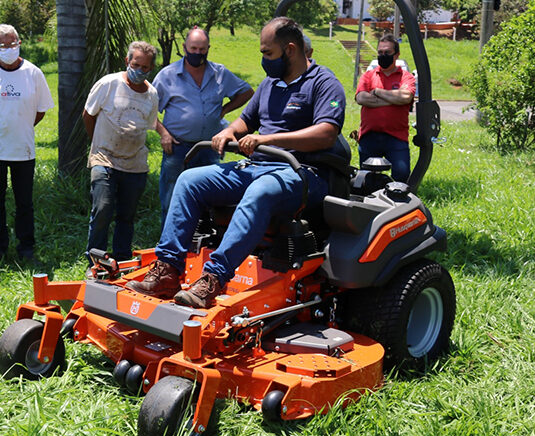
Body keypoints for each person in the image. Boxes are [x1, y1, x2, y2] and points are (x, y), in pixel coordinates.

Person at [126, 17, 347, 309]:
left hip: (302, 172)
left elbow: (326, 133)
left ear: (290, 49)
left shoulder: (323, 83)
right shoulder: (270, 84)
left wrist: (267, 141)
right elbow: (246, 120)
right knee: (189, 181)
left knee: (261, 192)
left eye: (268, 53)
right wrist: (229, 131)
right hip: (259, 168)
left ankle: (213, 278)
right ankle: (168, 269)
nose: (263, 59)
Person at [0, 24, 54, 267]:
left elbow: (40, 110)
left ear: (20, 43)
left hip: (23, 150)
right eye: (4, 45)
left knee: (24, 201)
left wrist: (20, 127)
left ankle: (26, 248)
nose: (10, 48)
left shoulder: (34, 73)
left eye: (14, 43)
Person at [151, 27, 253, 226]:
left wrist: (224, 110)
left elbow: (246, 92)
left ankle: (201, 243)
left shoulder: (219, 73)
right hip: (178, 147)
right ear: (184, 47)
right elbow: (147, 109)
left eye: (202, 49)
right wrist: (163, 133)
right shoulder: (168, 75)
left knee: (208, 198)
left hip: (209, 147)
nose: (197, 53)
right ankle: (168, 244)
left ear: (208, 48)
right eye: (193, 48)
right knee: (172, 199)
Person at [83, 41, 159, 263]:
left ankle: (122, 260)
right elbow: (88, 115)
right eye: (136, 65)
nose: (139, 71)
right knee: (103, 209)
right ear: (127, 62)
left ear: (151, 69)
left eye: (145, 68)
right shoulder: (109, 84)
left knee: (127, 215)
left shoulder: (151, 94)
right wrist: (97, 144)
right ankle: (95, 260)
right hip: (104, 157)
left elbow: (149, 124)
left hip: (135, 163)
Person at [355, 34, 415, 182]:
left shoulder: (406, 77)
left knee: (401, 176)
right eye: (380, 52)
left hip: (396, 137)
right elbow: (361, 98)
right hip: (369, 136)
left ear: (397, 54)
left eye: (387, 52)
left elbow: (406, 97)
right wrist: (394, 100)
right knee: (367, 179)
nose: (383, 55)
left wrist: (377, 92)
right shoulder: (368, 76)